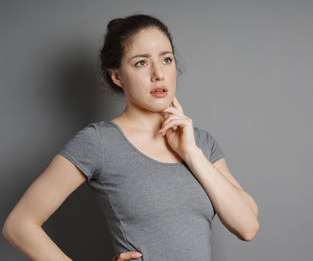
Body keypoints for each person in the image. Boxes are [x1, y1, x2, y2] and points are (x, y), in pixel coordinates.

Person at [2, 13, 259, 261]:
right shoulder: (99, 143)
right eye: (141, 62)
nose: (158, 73)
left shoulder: (201, 143)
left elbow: (247, 227)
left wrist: (192, 154)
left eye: (166, 59)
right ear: (117, 77)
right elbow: (19, 225)